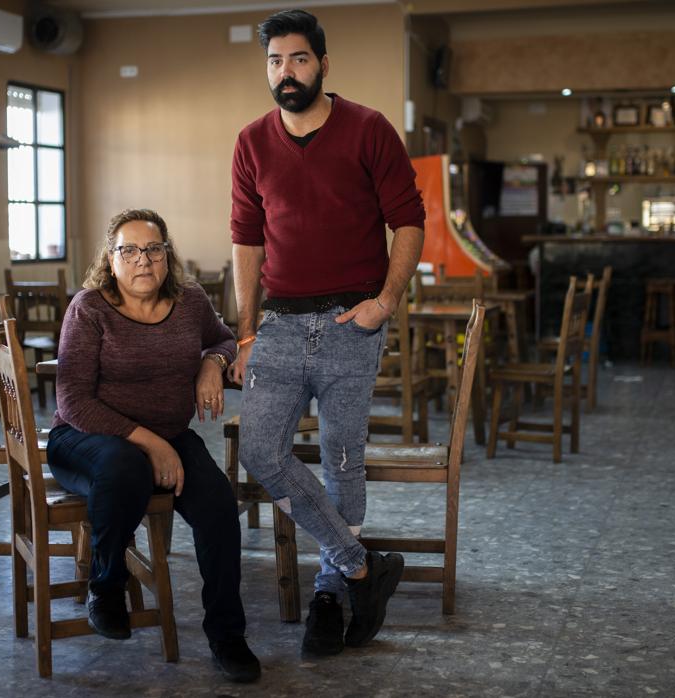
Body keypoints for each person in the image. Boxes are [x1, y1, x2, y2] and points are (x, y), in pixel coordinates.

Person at [229, 9, 426, 659]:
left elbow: (409, 222)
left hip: (351, 322)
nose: (286, 72)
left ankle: (327, 595)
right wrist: (247, 328)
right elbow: (246, 240)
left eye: (298, 59)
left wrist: (384, 302)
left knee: (343, 459)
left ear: (323, 64)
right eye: (275, 61)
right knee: (259, 448)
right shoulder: (251, 142)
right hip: (281, 323)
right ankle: (359, 566)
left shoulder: (369, 129)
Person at [46, 209, 260, 683]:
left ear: (167, 255)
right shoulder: (89, 308)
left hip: (168, 435)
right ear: (111, 258)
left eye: (154, 249)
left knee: (220, 507)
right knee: (127, 466)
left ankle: (228, 634)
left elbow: (224, 339)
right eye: (129, 250)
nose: (143, 260)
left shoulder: (190, 302)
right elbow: (73, 400)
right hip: (84, 438)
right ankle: (106, 586)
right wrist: (151, 445)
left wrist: (211, 363)